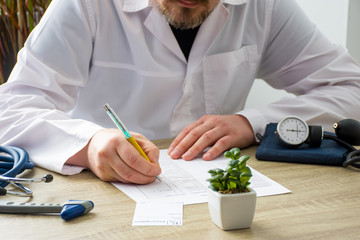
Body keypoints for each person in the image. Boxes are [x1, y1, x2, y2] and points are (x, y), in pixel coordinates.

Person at [1, 0, 360, 184]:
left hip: (214, 194)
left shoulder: (262, 6)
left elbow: (351, 88)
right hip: (103, 199)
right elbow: (11, 107)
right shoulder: (86, 6)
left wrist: (253, 122)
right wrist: (89, 143)